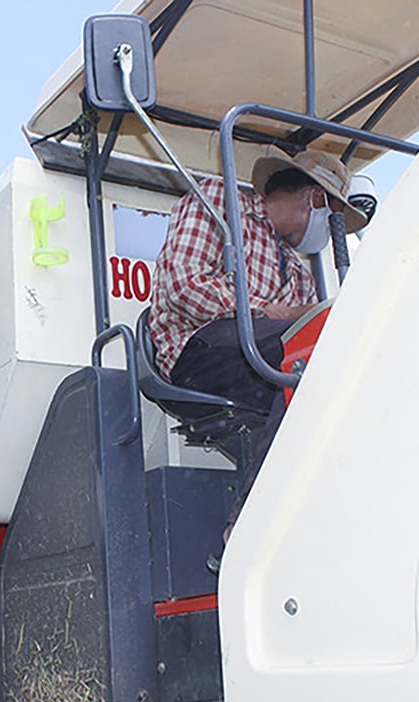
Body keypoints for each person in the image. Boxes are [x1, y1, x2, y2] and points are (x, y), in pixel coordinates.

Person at [149, 149, 366, 560]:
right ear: (314, 200)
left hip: (264, 356)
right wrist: (273, 313)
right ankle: (250, 524)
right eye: (333, 216)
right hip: (196, 348)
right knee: (312, 350)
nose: (328, 231)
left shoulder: (298, 270)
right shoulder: (215, 201)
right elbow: (183, 286)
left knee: (330, 360)